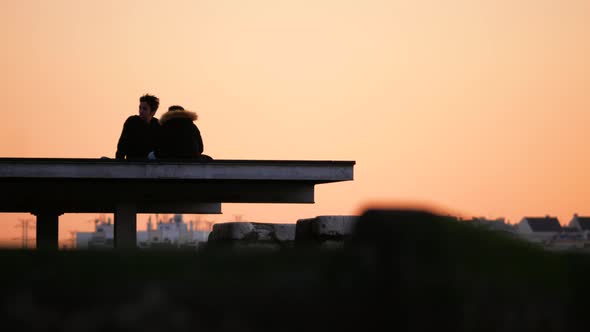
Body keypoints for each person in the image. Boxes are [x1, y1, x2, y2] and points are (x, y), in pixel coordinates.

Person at [115, 94, 161, 160]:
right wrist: (119, 164)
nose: (141, 111)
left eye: (144, 109)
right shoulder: (131, 122)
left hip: (150, 166)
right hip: (132, 164)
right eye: (140, 107)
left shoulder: (158, 125)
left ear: (153, 112)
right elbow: (122, 145)